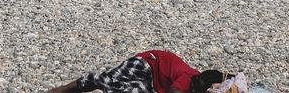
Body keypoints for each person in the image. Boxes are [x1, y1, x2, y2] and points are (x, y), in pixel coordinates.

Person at [46, 50, 226, 93]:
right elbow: (174, 91)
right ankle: (60, 90)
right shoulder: (190, 79)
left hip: (152, 78)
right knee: (108, 80)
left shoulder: (196, 79)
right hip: (147, 64)